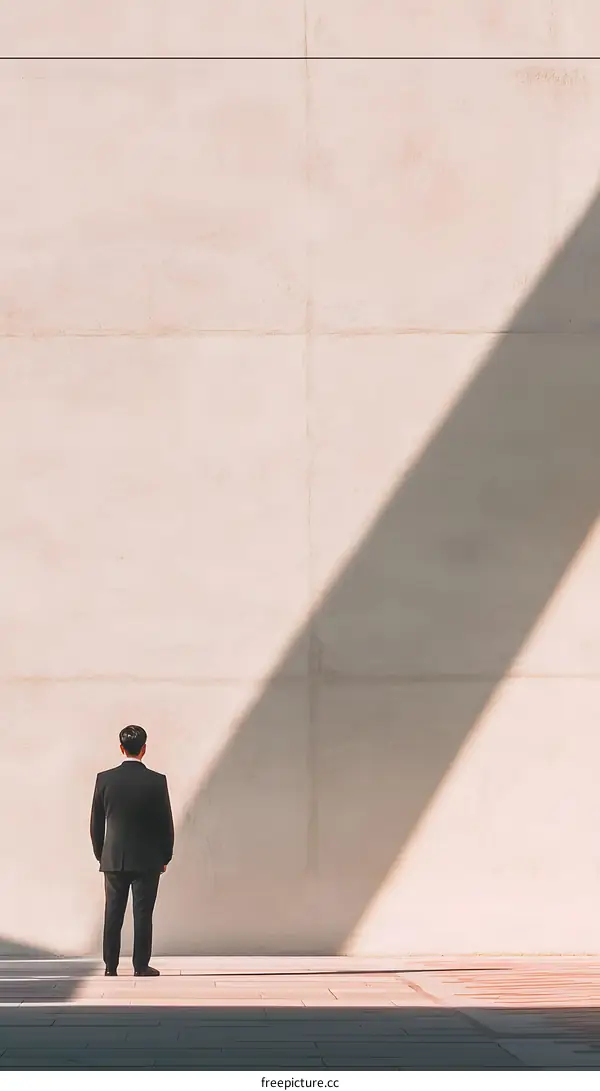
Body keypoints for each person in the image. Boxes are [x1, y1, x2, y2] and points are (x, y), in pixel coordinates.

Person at [90, 725, 174, 977]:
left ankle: (110, 966)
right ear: (144, 749)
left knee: (113, 913)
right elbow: (165, 823)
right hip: (148, 860)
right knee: (143, 914)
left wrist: (101, 853)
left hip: (113, 858)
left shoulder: (104, 779)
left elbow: (96, 823)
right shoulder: (157, 781)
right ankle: (140, 965)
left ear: (121, 748)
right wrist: (165, 856)